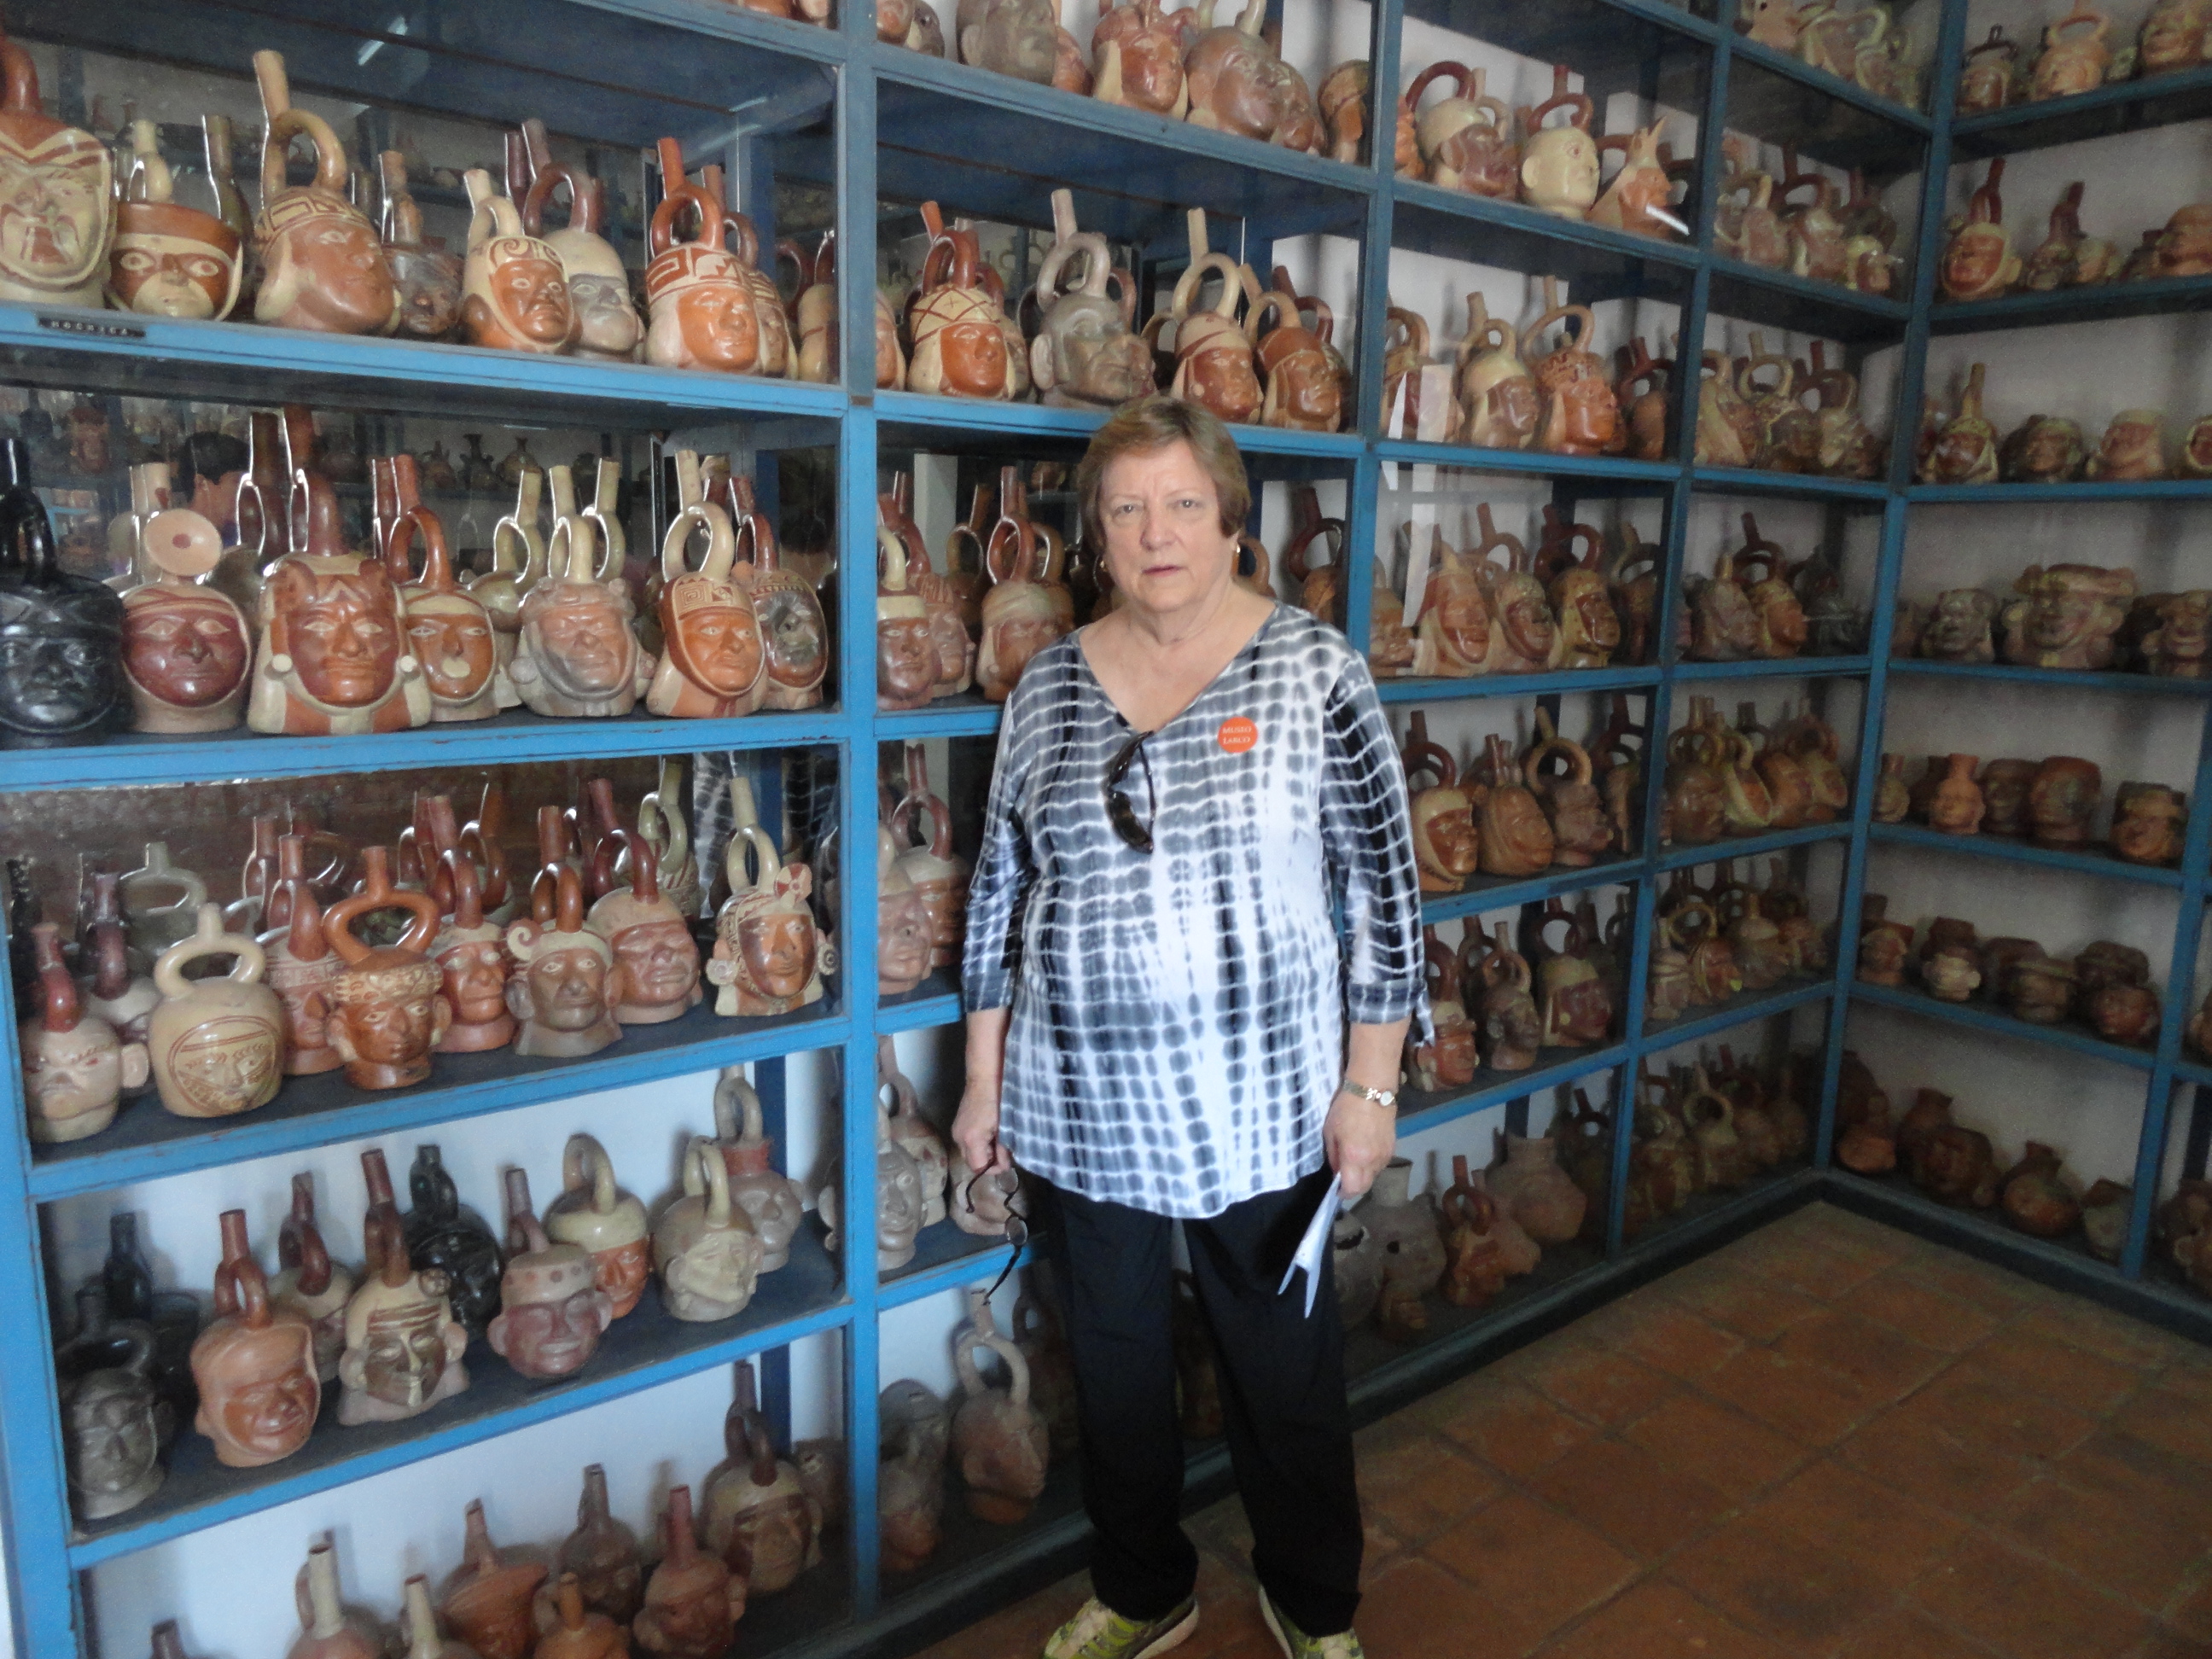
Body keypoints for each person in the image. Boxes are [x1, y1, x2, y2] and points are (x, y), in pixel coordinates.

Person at [954, 396, 1424, 1659]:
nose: (1155, 532)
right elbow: (999, 893)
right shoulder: (1047, 688)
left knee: (1283, 1369)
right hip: (1079, 1099)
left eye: (1180, 504)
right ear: (1098, 536)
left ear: (1229, 522)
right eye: (1127, 509)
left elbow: (1385, 894)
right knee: (1113, 1363)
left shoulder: (1317, 673)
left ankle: (1313, 1602)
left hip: (1264, 1099)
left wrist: (1370, 1090)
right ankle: (1142, 1586)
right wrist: (983, 1083)